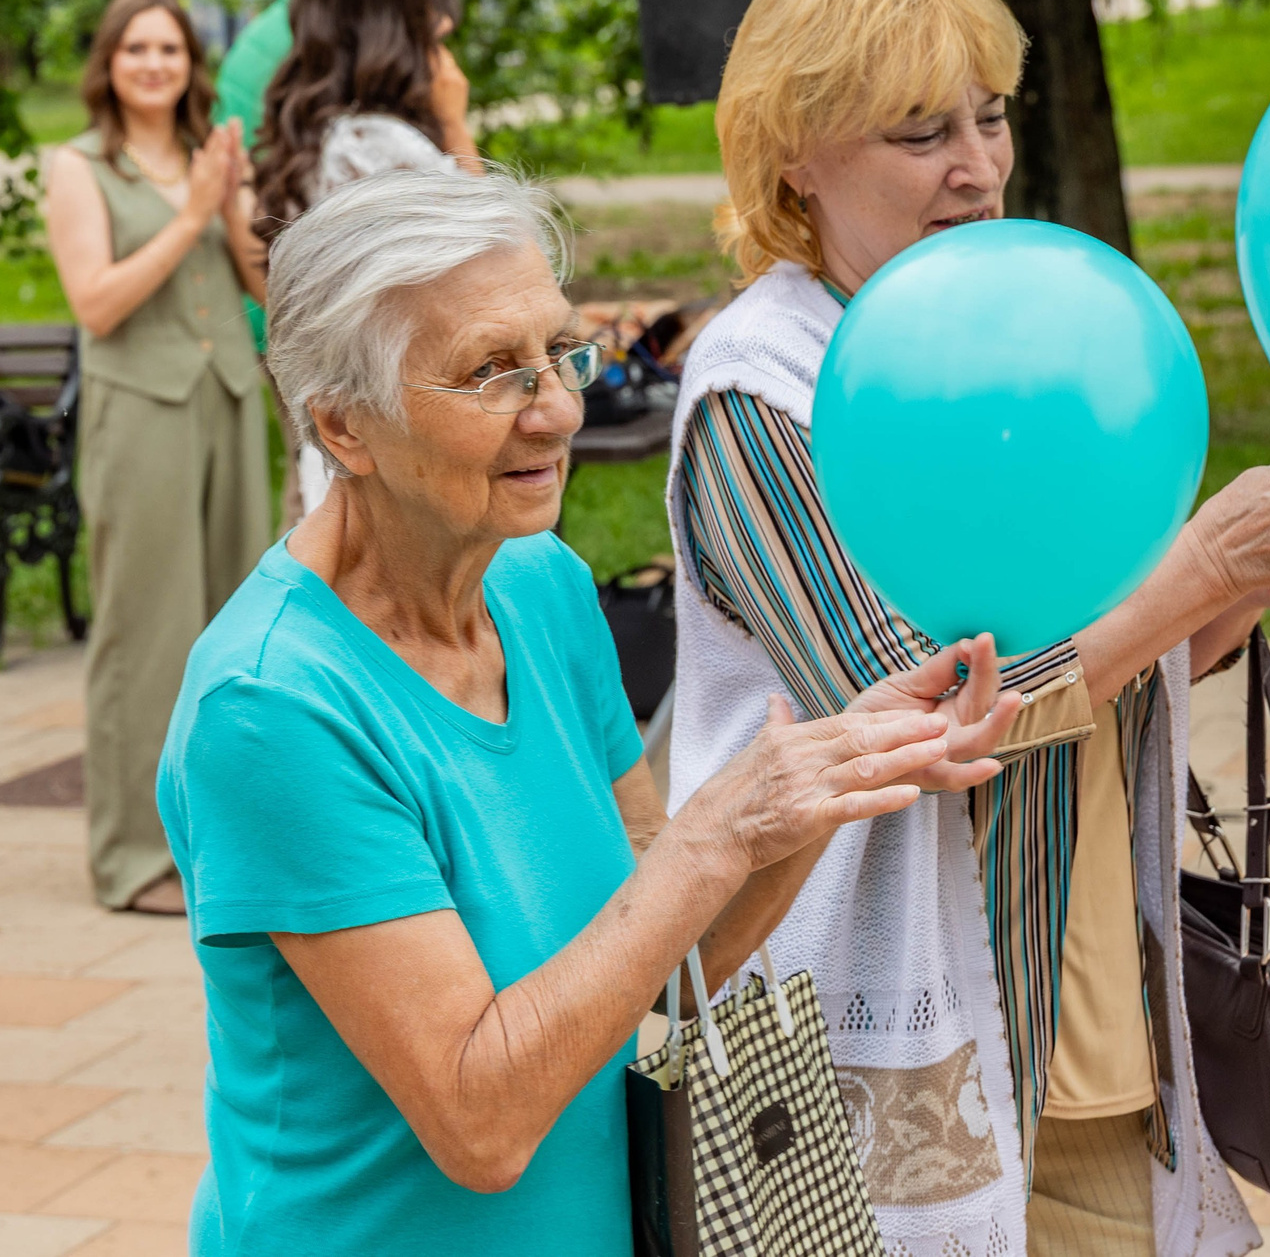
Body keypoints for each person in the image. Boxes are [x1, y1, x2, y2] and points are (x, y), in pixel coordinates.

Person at [665, 0, 1270, 1257]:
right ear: (792, 153)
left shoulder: (1009, 337)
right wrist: (1208, 565)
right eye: (917, 131)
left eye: (990, 116)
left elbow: (1087, 644)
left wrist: (1251, 588)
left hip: (1089, 1009)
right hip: (905, 1044)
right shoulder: (765, 394)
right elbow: (923, 726)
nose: (977, 166)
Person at [158, 168, 1025, 1257]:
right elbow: (481, 1121)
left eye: (562, 354)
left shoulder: (539, 584)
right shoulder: (271, 708)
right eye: (491, 373)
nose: (560, 409)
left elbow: (665, 972)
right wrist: (715, 834)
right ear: (344, 426)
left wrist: (826, 782)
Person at [43, 0, 272, 914]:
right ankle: (133, 857)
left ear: (190, 64)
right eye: (136, 48)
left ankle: (220, 848)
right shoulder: (78, 167)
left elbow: (261, 276)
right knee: (147, 631)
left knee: (234, 633)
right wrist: (189, 216)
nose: (153, 64)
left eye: (170, 49)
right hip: (141, 410)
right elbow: (95, 302)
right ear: (110, 62)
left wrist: (225, 206)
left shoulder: (210, 153)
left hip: (224, 399)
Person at [252, 0, 484, 518]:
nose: (446, 22)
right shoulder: (378, 148)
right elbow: (497, 263)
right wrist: (457, 124)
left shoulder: (318, 134)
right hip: (409, 448)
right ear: (389, 18)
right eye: (429, 3)